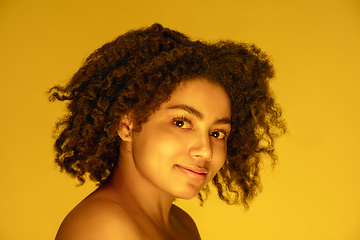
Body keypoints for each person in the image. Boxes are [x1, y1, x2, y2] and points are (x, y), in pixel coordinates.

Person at [48, 23, 286, 240]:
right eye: (181, 122)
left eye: (217, 133)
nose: (206, 151)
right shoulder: (104, 228)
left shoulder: (182, 224)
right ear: (127, 125)